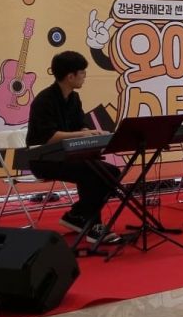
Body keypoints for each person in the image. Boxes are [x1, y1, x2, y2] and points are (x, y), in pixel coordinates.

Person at [26, 50, 120, 244]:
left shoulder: (74, 98)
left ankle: (77, 215)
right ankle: (92, 225)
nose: (85, 76)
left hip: (68, 156)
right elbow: (49, 137)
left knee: (112, 172)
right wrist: (82, 134)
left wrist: (91, 133)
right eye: (82, 72)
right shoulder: (44, 100)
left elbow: (80, 125)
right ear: (70, 76)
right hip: (44, 160)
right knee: (92, 173)